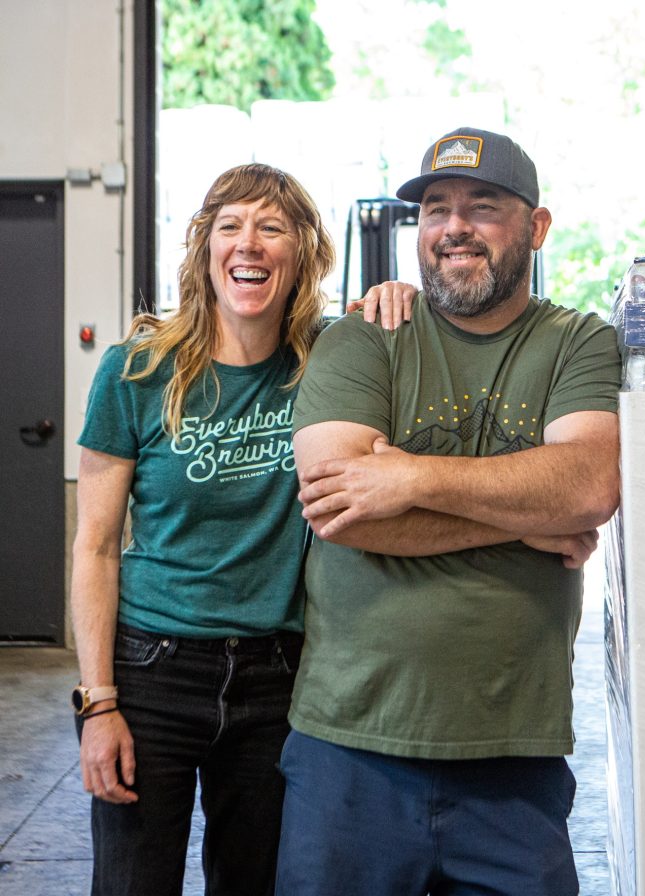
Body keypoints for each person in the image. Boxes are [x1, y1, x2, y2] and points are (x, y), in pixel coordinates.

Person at [276, 127, 622, 896]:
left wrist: (409, 478)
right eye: (435, 209)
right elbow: (345, 509)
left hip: (514, 751)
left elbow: (591, 483)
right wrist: (528, 516)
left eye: (482, 206)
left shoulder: (580, 342)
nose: (453, 227)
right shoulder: (364, 337)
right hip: (351, 746)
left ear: (535, 227)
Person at [70, 161, 414, 896]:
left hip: (278, 674)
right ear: (204, 250)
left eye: (271, 227)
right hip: (150, 670)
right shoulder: (136, 371)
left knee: (256, 883)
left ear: (303, 254)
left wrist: (397, 298)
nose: (248, 244)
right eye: (229, 226)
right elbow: (95, 546)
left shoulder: (328, 362)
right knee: (133, 884)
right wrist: (97, 701)